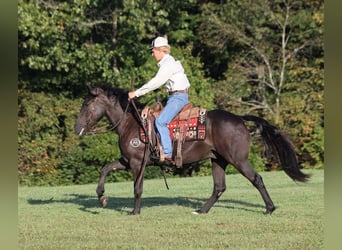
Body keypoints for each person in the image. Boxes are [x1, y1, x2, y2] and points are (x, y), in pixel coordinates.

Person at [128, 36, 190, 165]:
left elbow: (156, 82)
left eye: (153, 51)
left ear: (161, 50)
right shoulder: (168, 62)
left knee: (160, 122)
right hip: (175, 97)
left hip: (177, 98)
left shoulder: (167, 64)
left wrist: (137, 93)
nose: (152, 54)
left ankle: (167, 154)